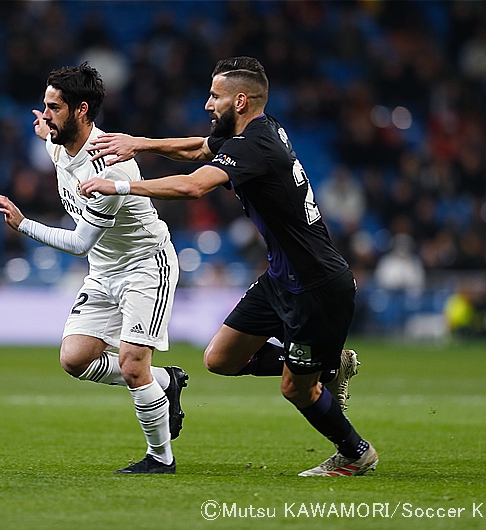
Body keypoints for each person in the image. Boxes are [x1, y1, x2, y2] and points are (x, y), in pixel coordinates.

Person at [81, 56, 377, 477]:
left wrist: (121, 185)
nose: (207, 104)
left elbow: (193, 185)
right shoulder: (258, 129)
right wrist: (139, 143)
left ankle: (355, 452)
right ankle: (329, 366)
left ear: (240, 101)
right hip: (280, 279)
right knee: (220, 359)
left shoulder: (255, 144)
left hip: (316, 286)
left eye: (215, 96)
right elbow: (200, 147)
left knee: (297, 388)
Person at [0, 63, 186, 474]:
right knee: (75, 359)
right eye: (44, 106)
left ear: (82, 110)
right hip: (104, 271)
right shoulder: (59, 142)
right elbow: (46, 136)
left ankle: (160, 459)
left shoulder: (108, 166)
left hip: (144, 266)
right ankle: (166, 383)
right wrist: (45, 127)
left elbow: (80, 243)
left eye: (54, 107)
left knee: (133, 366)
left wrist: (24, 225)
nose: (46, 115)